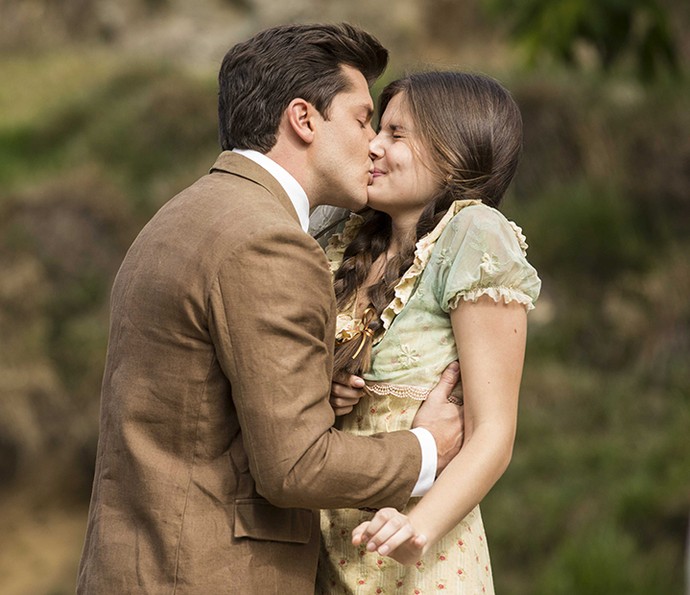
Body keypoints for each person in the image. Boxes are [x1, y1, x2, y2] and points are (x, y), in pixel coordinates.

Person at [76, 24, 465, 594]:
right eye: (361, 120)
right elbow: (296, 466)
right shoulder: (269, 242)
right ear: (304, 120)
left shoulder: (176, 218)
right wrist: (426, 449)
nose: (374, 144)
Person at [316, 71, 542, 593]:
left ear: (455, 152)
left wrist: (419, 526)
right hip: (330, 551)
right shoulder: (348, 239)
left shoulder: (472, 234)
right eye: (378, 129)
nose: (372, 146)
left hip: (420, 559)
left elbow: (493, 432)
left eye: (396, 134)